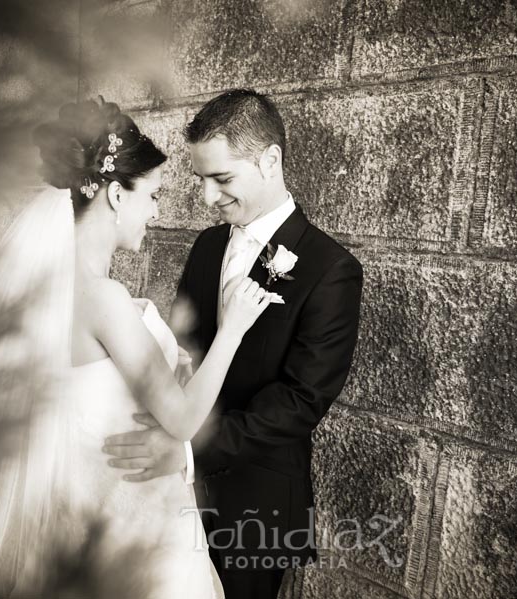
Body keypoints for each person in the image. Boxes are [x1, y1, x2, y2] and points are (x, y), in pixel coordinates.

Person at [0, 99, 273, 598]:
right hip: (133, 527)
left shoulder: (50, 287)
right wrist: (232, 330)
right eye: (153, 196)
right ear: (117, 196)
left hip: (82, 519)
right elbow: (183, 420)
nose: (157, 213)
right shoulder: (104, 299)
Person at [104, 89, 364, 599]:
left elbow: (300, 402)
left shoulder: (329, 269)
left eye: (222, 179)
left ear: (270, 161)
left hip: (253, 505)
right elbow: (181, 352)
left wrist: (186, 451)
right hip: (166, 495)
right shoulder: (207, 246)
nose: (207, 197)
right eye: (202, 179)